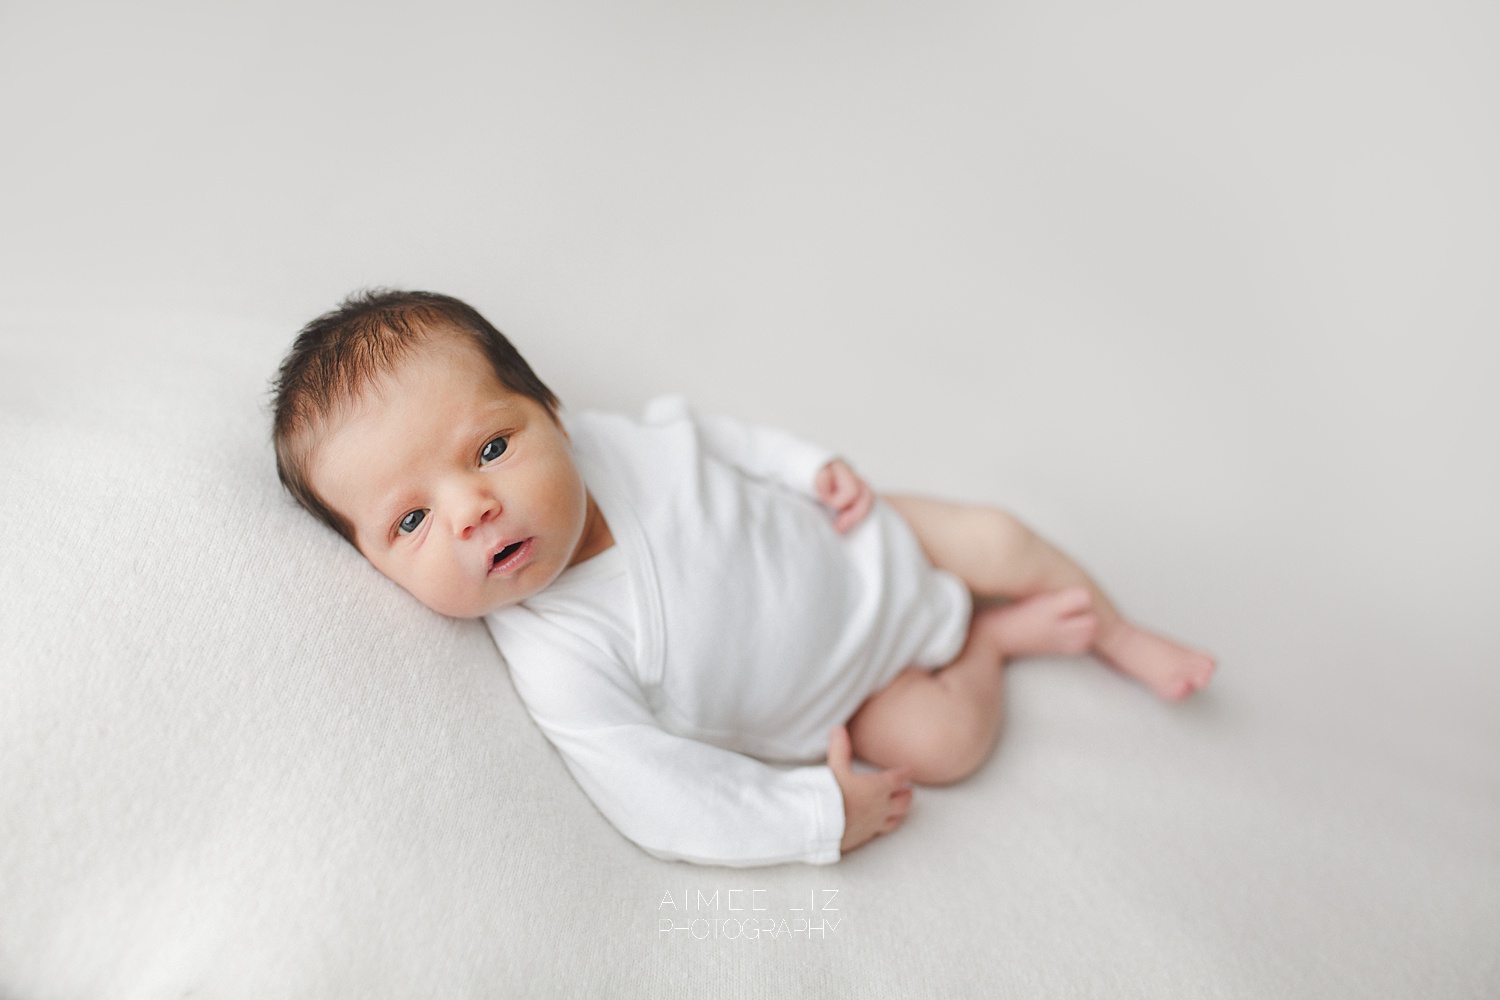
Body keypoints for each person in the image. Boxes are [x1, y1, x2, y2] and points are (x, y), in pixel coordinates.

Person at [272, 289, 1216, 867]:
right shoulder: (564, 653)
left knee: (999, 537)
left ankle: (1121, 633)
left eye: (488, 446)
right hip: (861, 693)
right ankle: (989, 644)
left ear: (549, 407)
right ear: (374, 565)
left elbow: (711, 435)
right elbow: (657, 792)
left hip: (867, 538)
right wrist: (811, 816)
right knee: (946, 743)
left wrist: (808, 468)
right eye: (411, 520)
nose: (471, 507)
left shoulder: (606, 443)